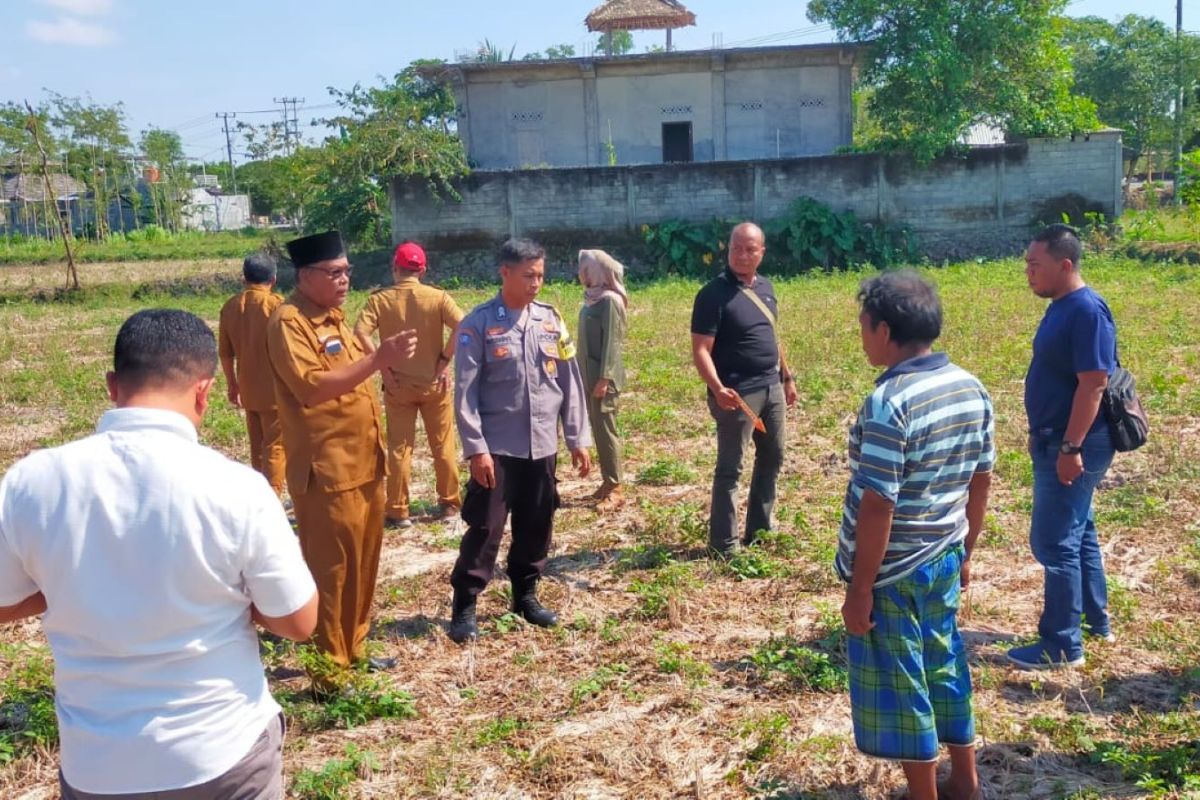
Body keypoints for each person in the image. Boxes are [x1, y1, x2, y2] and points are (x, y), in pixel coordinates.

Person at [0, 309, 318, 799]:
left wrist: (67, 587)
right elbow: (298, 622)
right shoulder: (238, 488)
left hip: (98, 765)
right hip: (221, 753)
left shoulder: (31, 481)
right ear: (204, 391)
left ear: (111, 384)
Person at [837, 272, 993, 800]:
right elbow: (981, 477)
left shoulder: (889, 402)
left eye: (863, 327)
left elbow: (879, 504)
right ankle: (965, 781)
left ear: (884, 331)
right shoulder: (970, 386)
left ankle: (923, 793)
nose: (861, 338)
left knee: (903, 682)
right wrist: (965, 551)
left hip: (894, 571)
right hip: (945, 553)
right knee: (945, 659)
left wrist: (860, 589)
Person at [267, 230, 417, 679]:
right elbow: (311, 389)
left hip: (365, 463)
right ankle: (329, 672)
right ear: (306, 275)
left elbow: (353, 376)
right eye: (334, 273)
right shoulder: (290, 322)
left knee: (364, 564)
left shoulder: (335, 320)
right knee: (331, 573)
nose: (345, 280)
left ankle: (355, 648)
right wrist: (375, 362)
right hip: (327, 469)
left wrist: (383, 364)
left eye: (347, 271)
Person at [448, 238, 592, 643]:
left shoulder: (551, 321)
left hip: (542, 445)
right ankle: (465, 604)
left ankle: (525, 595)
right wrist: (476, 449)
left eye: (541, 275)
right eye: (528, 275)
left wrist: (577, 436)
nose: (536, 283)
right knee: (485, 527)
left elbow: (570, 381)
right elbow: (465, 393)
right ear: (505, 272)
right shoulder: (477, 324)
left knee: (537, 524)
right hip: (498, 449)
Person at [1008, 223, 1119, 670]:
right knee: (1079, 531)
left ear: (1065, 264)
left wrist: (1071, 447)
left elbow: (1093, 385)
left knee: (1054, 542)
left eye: (1036, 265)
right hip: (1057, 438)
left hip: (1078, 443)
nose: (1028, 273)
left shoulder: (1087, 311)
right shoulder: (1061, 306)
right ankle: (1095, 620)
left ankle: (1061, 644)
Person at [690, 221, 796, 556]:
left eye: (750, 249)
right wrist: (718, 388)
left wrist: (787, 377)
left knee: (773, 456)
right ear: (728, 248)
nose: (742, 255)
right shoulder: (712, 295)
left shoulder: (766, 288)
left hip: (770, 387)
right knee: (730, 468)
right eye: (737, 247)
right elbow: (701, 350)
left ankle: (760, 529)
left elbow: (772, 336)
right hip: (736, 394)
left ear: (761, 252)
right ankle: (724, 544)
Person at [354, 241, 466, 528]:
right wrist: (443, 361)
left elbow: (360, 332)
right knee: (442, 445)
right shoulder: (438, 297)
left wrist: (383, 366)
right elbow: (463, 325)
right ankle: (449, 504)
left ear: (395, 269)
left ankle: (398, 509)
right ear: (423, 270)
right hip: (434, 383)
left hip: (397, 384)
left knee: (400, 448)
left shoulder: (380, 300)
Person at [219, 252, 287, 497]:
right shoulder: (277, 306)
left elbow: (226, 354)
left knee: (257, 447)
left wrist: (232, 385)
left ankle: (258, 497)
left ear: (243, 278)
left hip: (247, 387)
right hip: (276, 388)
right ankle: (272, 499)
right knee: (276, 447)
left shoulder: (230, 307)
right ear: (274, 279)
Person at [576, 248, 629, 509]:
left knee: (606, 429)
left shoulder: (609, 301)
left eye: (586, 269)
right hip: (589, 375)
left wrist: (604, 378)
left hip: (602, 380)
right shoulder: (592, 299)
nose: (582, 274)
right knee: (598, 427)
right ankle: (608, 482)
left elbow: (612, 344)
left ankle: (616, 487)